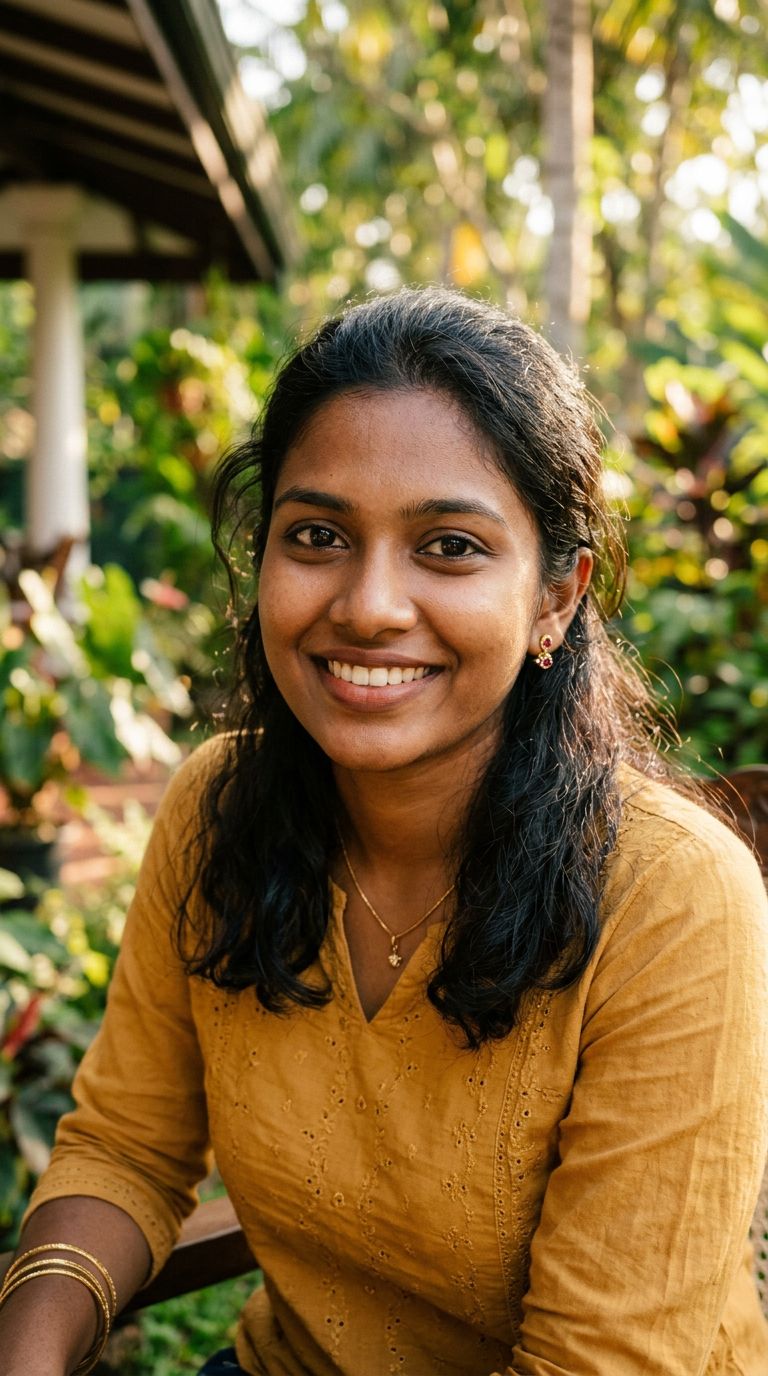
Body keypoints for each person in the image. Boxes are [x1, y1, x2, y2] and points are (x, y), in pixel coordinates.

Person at [1, 287, 767, 1376]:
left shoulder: (674, 897)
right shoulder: (219, 811)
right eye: (316, 534)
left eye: (448, 546)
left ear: (557, 598)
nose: (367, 603)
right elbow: (124, 1145)